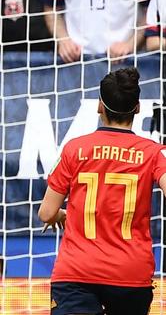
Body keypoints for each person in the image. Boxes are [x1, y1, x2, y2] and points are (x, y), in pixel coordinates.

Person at [39, 67, 166, 315]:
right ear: (137, 107)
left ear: (99, 106)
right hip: (130, 273)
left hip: (77, 272)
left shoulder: (74, 149)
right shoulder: (153, 152)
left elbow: (46, 213)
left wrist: (62, 215)